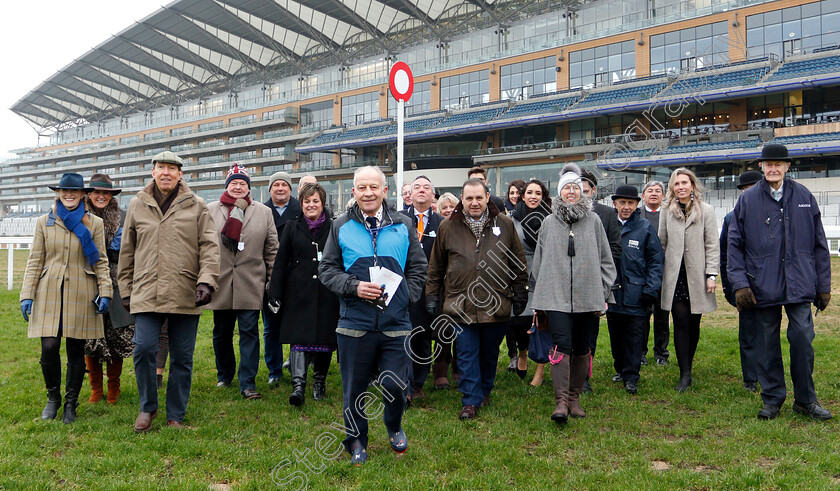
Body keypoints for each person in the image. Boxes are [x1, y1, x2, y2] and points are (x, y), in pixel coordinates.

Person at [318, 166, 427, 465]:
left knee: (395, 385)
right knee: (354, 390)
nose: (368, 193)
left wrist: (404, 297)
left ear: (384, 191)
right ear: (353, 192)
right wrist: (353, 287)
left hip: (396, 324)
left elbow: (419, 269)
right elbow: (326, 271)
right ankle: (356, 441)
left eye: (373, 187)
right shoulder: (340, 226)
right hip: (354, 324)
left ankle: (393, 424)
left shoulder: (404, 226)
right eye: (361, 187)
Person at [728, 143, 832, 421]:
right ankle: (773, 398)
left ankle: (806, 400)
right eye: (768, 164)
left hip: (800, 284)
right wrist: (740, 283)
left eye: (779, 164)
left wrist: (824, 286)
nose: (773, 168)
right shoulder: (747, 200)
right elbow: (734, 244)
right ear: (761, 167)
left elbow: (820, 245)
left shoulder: (804, 196)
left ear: (787, 166)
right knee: (767, 343)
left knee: (801, 339)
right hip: (762, 285)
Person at [119, 150, 220, 431]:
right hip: (146, 290)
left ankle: (176, 414)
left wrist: (207, 281)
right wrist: (125, 289)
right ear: (152, 172)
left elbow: (210, 247)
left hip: (186, 290)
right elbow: (127, 250)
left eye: (171, 169)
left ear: (180, 174)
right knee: (143, 349)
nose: (166, 173)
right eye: (161, 167)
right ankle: (147, 408)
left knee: (182, 357)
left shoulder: (197, 205)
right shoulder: (137, 205)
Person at [426, 178, 528, 421]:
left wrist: (521, 291)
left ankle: (485, 389)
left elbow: (518, 260)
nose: (474, 202)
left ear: (487, 198)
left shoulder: (505, 224)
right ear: (462, 199)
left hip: (497, 302)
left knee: (490, 352)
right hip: (460, 304)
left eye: (479, 198)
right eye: (469, 198)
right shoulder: (447, 227)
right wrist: (431, 294)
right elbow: (436, 266)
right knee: (466, 352)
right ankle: (470, 400)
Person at [21, 172, 112, 424]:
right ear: (58, 193)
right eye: (64, 191)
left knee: (75, 349)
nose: (69, 195)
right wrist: (26, 294)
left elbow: (101, 261)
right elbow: (35, 261)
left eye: (74, 191)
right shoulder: (44, 222)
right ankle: (53, 399)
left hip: (81, 291)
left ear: (83, 194)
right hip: (49, 291)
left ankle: (71, 403)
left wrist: (106, 291)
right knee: (49, 347)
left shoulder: (94, 223)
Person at [530, 164, 616, 424]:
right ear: (559, 192)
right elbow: (539, 261)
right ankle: (561, 402)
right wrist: (539, 294)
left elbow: (606, 259)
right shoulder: (548, 222)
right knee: (561, 345)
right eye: (566, 187)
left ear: (583, 193)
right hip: (555, 297)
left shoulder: (594, 221)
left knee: (582, 347)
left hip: (588, 296)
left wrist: (602, 291)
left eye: (575, 188)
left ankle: (575, 397)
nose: (571, 191)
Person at [206, 164, 278, 400]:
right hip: (222, 281)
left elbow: (271, 250)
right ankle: (224, 375)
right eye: (234, 183)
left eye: (243, 183)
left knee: (249, 332)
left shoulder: (263, 212)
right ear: (227, 185)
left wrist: (271, 281)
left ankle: (248, 382)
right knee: (221, 333)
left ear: (249, 187)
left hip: (251, 281)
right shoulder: (210, 211)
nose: (238, 187)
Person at [268, 182, 339, 406]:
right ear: (301, 203)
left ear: (322, 203)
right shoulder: (291, 226)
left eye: (315, 201)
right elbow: (280, 262)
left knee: (325, 339)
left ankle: (320, 383)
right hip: (297, 292)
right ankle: (298, 386)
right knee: (298, 338)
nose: (311, 205)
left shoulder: (335, 227)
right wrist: (275, 292)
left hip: (327, 291)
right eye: (307, 201)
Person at [658, 168, 718, 392]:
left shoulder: (707, 211)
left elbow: (712, 245)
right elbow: (661, 243)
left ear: (692, 185)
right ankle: (684, 373)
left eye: (684, 182)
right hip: (674, 277)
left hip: (697, 276)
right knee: (680, 321)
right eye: (676, 183)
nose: (680, 186)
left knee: (694, 323)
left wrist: (711, 274)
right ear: (672, 188)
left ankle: (688, 365)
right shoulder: (666, 211)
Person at [606, 185, 664, 395]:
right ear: (615, 204)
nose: (626, 207)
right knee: (616, 336)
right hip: (613, 293)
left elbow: (656, 261)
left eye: (630, 203)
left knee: (634, 337)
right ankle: (619, 369)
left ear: (637, 204)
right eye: (622, 202)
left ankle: (632, 376)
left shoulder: (645, 228)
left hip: (637, 293)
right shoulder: (608, 225)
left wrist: (651, 288)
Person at [83, 174, 135, 405]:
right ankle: (96, 389)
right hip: (86, 281)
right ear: (89, 194)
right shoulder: (79, 216)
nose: (101, 196)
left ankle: (114, 387)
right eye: (96, 192)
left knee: (116, 336)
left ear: (111, 195)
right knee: (89, 337)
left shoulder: (124, 217)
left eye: (106, 193)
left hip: (117, 281)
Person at [401, 176, 446, 399]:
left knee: (423, 335)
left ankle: (418, 383)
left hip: (430, 290)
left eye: (426, 187)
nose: (421, 190)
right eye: (416, 187)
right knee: (403, 336)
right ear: (409, 194)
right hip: (404, 287)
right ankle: (405, 385)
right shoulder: (398, 220)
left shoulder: (441, 223)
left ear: (432, 195)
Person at [719, 170, 762, 392]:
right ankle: (750, 379)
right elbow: (725, 255)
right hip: (745, 285)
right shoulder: (730, 218)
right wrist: (730, 287)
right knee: (748, 334)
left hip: (771, 285)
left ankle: (768, 374)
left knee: (768, 333)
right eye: (746, 190)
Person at [579, 168, 621, 390]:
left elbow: (615, 248)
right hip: (569, 285)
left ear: (593, 191)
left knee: (590, 332)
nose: (581, 195)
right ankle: (569, 374)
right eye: (577, 190)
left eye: (585, 191)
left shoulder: (606, 214)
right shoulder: (563, 214)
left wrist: (600, 275)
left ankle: (585, 376)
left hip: (594, 283)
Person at [510, 179, 552, 386]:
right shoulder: (513, 219)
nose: (533, 196)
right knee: (519, 321)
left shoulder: (552, 219)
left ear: (543, 196)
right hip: (519, 275)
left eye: (538, 193)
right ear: (522, 195)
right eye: (529, 192)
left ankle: (541, 369)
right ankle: (523, 352)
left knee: (541, 322)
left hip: (545, 274)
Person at [263, 171, 301, 386]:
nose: (280, 188)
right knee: (271, 327)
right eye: (275, 184)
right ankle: (274, 369)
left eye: (284, 185)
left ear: (290, 188)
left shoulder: (300, 209)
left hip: (296, 277)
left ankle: (298, 368)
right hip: (270, 277)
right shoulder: (261, 211)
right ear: (270, 189)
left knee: (297, 325)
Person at [640, 180, 670, 366]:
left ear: (663, 195)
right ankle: (640, 353)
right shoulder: (637, 216)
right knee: (642, 317)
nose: (654, 193)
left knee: (662, 316)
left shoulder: (669, 216)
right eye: (650, 191)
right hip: (642, 274)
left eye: (658, 191)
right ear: (643, 196)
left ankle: (661, 353)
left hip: (664, 274)